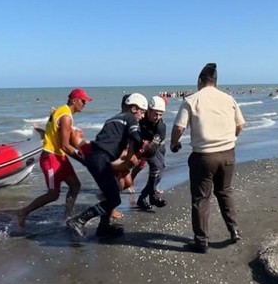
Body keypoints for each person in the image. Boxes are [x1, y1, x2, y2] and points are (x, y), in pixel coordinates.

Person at [169, 63, 245, 253]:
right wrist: (230, 138)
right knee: (225, 191)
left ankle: (201, 240)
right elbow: (240, 124)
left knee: (201, 199)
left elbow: (179, 127)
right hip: (228, 153)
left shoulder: (192, 100)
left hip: (204, 156)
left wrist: (173, 143)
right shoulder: (228, 99)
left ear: (199, 81)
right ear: (216, 82)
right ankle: (234, 230)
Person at [66, 93, 148, 240]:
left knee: (113, 192)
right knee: (114, 199)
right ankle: (79, 220)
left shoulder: (112, 119)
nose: (142, 116)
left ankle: (103, 227)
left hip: (95, 157)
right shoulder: (129, 117)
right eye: (142, 112)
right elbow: (135, 136)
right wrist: (141, 145)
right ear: (134, 108)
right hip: (101, 159)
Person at [11, 89, 91, 235]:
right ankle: (23, 212)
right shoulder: (66, 116)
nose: (85, 104)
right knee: (53, 194)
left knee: (75, 185)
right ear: (74, 101)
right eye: (83, 101)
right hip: (51, 157)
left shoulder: (61, 110)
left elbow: (52, 133)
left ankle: (68, 217)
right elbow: (65, 145)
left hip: (59, 156)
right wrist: (85, 159)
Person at [134, 96, 168, 211]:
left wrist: (142, 152)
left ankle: (143, 197)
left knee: (158, 173)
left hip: (156, 146)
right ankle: (151, 196)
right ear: (149, 110)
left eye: (161, 115)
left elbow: (153, 148)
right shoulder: (140, 118)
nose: (157, 117)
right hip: (141, 144)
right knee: (156, 169)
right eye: (156, 114)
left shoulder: (161, 127)